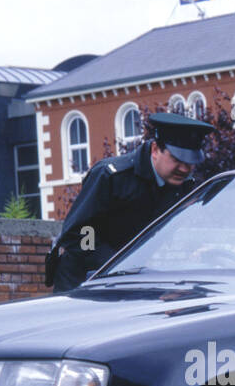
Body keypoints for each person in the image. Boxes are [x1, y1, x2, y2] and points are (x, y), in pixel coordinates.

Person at [46, 111, 215, 291]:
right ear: (156, 150)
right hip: (81, 281)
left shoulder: (183, 186)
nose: (184, 169)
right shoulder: (110, 176)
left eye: (190, 163)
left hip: (128, 279)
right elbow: (78, 231)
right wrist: (115, 263)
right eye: (177, 160)